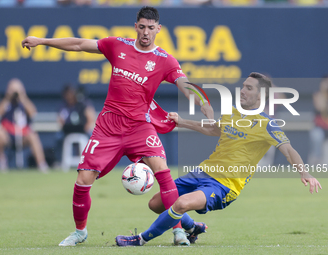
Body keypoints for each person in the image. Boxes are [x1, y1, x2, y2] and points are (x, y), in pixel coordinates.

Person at [21, 6, 213, 246]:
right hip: (108, 126)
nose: (145, 33)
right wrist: (42, 41)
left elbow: (185, 84)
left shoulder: (165, 60)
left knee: (163, 173)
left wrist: (203, 102)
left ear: (158, 29)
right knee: (83, 180)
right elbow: (80, 44)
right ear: (136, 26)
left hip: (139, 127)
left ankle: (178, 231)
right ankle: (80, 231)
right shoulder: (117, 45)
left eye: (150, 28)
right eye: (141, 27)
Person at [115, 72, 322, 246]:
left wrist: (304, 172)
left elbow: (289, 150)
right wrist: (182, 122)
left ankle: (139, 239)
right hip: (202, 172)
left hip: (224, 185)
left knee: (180, 204)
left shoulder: (267, 124)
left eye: (249, 88)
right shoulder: (233, 112)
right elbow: (214, 129)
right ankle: (192, 227)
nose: (242, 90)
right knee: (156, 204)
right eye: (243, 86)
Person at [0, 78, 48, 172]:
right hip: (8, 137)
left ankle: (42, 164)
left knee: (33, 135)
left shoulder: (23, 102)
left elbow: (33, 113)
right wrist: (8, 97)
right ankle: (2, 163)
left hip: (23, 136)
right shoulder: (6, 103)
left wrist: (22, 97)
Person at [308, 76, 328, 165]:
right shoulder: (318, 95)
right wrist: (324, 92)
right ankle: (316, 160)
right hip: (320, 128)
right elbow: (321, 107)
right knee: (317, 136)